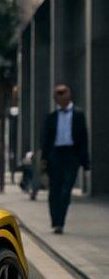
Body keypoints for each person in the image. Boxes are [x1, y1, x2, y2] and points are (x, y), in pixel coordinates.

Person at [40, 83, 91, 233]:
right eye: (57, 93)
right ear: (54, 98)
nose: (60, 96)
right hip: (55, 156)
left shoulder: (78, 115)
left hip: (71, 156)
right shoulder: (51, 117)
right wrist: (44, 158)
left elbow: (83, 139)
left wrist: (86, 163)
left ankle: (60, 223)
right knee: (54, 191)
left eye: (63, 92)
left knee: (65, 191)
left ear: (69, 95)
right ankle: (55, 221)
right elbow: (46, 140)